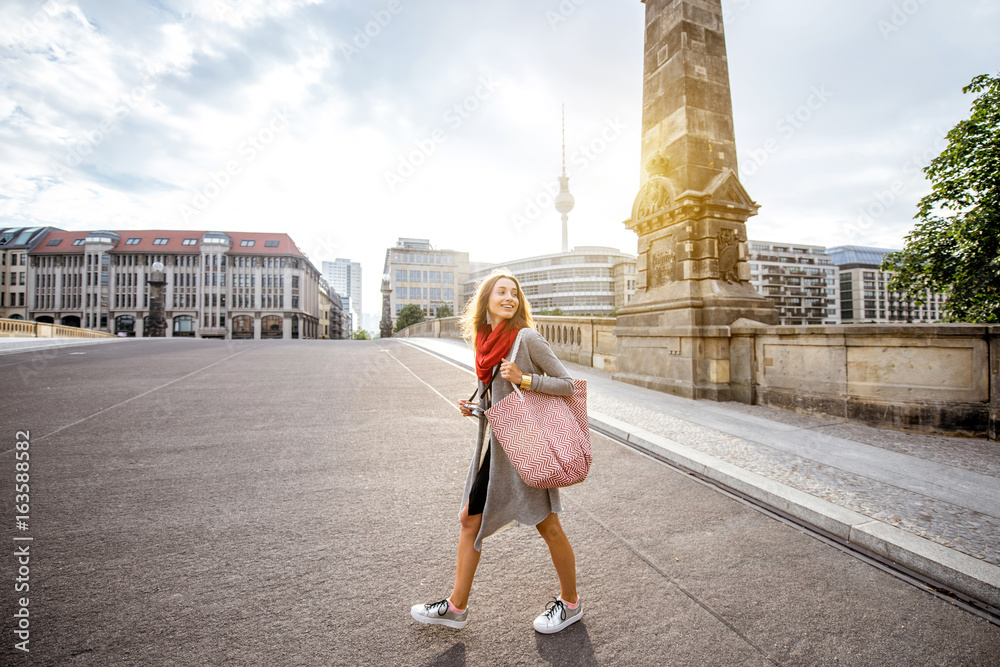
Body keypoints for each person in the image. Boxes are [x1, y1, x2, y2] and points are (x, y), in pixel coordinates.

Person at [410, 271, 583, 634]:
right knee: (469, 519)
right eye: (501, 292)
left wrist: (525, 379)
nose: (509, 298)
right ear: (486, 299)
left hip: (528, 446)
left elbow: (569, 385)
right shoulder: (485, 344)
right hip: (501, 449)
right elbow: (497, 399)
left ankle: (570, 604)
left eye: (514, 294)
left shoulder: (527, 338)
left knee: (549, 525)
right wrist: (477, 408)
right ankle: (456, 607)